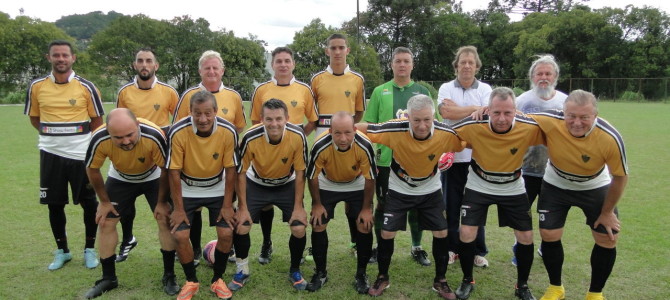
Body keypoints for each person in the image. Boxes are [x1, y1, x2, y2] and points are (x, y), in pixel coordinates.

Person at [357, 94, 464, 299]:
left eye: (427, 119)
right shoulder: (394, 128)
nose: (422, 125)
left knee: (441, 232)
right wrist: (339, 128)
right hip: (400, 187)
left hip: (430, 187)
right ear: (408, 117)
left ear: (433, 116)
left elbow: (463, 142)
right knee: (387, 233)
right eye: (416, 120)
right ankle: (383, 276)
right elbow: (363, 129)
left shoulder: (445, 132)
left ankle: (440, 281)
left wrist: (449, 153)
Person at [530, 90, 628, 300]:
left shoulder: (610, 137)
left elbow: (620, 177)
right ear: (562, 112)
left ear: (595, 115)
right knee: (549, 235)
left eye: (584, 117)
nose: (576, 122)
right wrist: (482, 109)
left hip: (594, 185)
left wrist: (607, 212)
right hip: (555, 184)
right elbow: (513, 116)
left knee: (608, 238)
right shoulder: (549, 119)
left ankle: (595, 293)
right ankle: (556, 287)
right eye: (571, 116)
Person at [450, 87, 542, 300]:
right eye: (497, 112)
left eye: (508, 113)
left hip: (513, 185)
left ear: (516, 111)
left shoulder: (528, 127)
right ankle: (467, 280)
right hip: (479, 183)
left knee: (526, 236)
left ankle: (522, 286)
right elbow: (447, 134)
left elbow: (556, 131)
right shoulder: (474, 125)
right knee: (466, 232)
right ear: (488, 110)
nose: (502, 118)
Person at [24, 40, 104, 271]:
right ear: (49, 58)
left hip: (81, 155)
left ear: (73, 58)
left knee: (89, 204)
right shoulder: (37, 86)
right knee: (54, 205)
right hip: (50, 153)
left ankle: (90, 249)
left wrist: (80, 142)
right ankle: (63, 251)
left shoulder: (86, 87)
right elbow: (34, 119)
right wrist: (54, 138)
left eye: (65, 55)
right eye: (56, 55)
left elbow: (97, 121)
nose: (61, 59)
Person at [83, 109, 178, 298]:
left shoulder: (154, 134)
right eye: (118, 137)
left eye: (130, 135)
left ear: (137, 126)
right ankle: (108, 278)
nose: (125, 141)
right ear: (109, 133)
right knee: (106, 221)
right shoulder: (99, 138)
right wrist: (104, 201)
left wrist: (161, 202)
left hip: (154, 176)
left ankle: (169, 275)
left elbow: (166, 170)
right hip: (121, 177)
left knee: (164, 219)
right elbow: (92, 169)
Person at [173, 50, 247, 266]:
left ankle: (227, 248)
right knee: (193, 209)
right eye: (207, 68)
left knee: (225, 208)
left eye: (216, 67)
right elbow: (179, 127)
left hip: (222, 162)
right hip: (193, 163)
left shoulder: (233, 95)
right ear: (200, 71)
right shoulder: (188, 96)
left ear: (222, 70)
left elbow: (239, 125)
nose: (212, 71)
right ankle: (194, 249)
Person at [363, 46, 435, 266]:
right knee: (383, 205)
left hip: (418, 160)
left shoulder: (423, 91)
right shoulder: (379, 91)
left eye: (406, 61)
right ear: (392, 64)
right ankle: (379, 247)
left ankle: (416, 247)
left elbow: (435, 124)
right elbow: (369, 125)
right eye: (398, 61)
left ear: (412, 64)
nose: (402, 65)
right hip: (386, 160)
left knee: (417, 206)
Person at [167, 90, 239, 300]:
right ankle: (191, 281)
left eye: (208, 113)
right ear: (190, 112)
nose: (203, 119)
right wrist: (178, 209)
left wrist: (227, 205)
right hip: (187, 188)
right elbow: (173, 171)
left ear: (216, 111)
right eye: (197, 113)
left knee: (226, 234)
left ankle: (218, 280)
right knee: (180, 235)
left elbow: (231, 170)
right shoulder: (178, 131)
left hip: (217, 187)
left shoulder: (228, 131)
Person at [249, 47, 317, 265]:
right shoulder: (262, 89)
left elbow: (313, 119)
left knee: (295, 213)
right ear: (273, 64)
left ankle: (295, 259)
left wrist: (297, 136)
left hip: (292, 153)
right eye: (279, 61)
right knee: (265, 205)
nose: (283, 65)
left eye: (287, 60)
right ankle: (267, 243)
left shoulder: (304, 89)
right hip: (267, 151)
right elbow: (255, 122)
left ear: (293, 64)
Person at [232, 99, 309, 291]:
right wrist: (241, 208)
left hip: (286, 183)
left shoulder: (298, 136)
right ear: (261, 119)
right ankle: (242, 271)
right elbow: (240, 173)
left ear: (287, 119)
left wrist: (299, 207)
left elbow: (300, 173)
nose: (274, 124)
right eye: (269, 119)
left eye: (278, 119)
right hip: (257, 183)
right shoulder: (251, 137)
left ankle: (295, 270)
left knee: (299, 227)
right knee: (241, 225)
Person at [115, 48, 179, 263]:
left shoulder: (168, 91)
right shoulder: (125, 92)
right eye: (140, 60)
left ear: (156, 65)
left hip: (157, 156)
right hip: (129, 151)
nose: (144, 64)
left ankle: (175, 248)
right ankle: (127, 240)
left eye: (148, 61)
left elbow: (177, 123)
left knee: (165, 209)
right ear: (135, 65)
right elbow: (118, 124)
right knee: (124, 206)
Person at [305, 111, 376, 293]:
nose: (343, 138)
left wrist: (367, 208)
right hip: (328, 182)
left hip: (356, 182)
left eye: (347, 132)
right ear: (330, 131)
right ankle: (321, 272)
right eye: (337, 133)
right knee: (318, 222)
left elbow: (370, 179)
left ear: (354, 129)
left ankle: (361, 274)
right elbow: (312, 177)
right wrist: (316, 204)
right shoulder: (320, 145)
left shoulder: (364, 144)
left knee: (365, 224)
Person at [310, 33, 366, 258]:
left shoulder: (357, 79)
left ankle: (355, 243)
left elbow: (359, 111)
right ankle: (317, 247)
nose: (337, 51)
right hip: (323, 136)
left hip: (348, 136)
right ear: (327, 51)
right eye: (333, 48)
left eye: (341, 47)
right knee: (324, 190)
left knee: (351, 186)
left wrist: (347, 127)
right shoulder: (317, 79)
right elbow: (311, 112)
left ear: (348, 50)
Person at [437, 45, 491, 268]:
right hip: (452, 157)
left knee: (476, 206)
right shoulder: (446, 87)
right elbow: (446, 112)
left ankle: (478, 250)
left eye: (471, 62)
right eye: (463, 62)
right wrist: (474, 109)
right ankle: (452, 249)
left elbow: (488, 115)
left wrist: (463, 109)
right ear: (456, 65)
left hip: (478, 158)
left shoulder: (486, 88)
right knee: (451, 206)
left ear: (477, 66)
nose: (467, 66)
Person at [511, 54, 567, 266]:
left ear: (555, 76)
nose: (543, 77)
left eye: (548, 73)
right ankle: (519, 249)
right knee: (521, 215)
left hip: (555, 171)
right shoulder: (522, 101)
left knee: (551, 215)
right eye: (539, 74)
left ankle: (546, 247)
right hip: (525, 169)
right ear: (532, 77)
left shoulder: (565, 102)